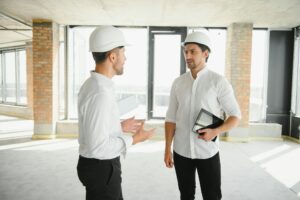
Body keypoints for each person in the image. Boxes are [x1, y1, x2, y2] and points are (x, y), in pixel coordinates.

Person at [77, 26, 155, 200]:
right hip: (102, 168)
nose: (125, 58)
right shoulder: (100, 93)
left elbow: (93, 127)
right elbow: (98, 147)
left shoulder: (92, 85)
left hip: (93, 166)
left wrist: (118, 126)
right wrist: (135, 139)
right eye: (123, 52)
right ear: (112, 56)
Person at [164, 31, 241, 200]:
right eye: (186, 51)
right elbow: (170, 118)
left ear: (206, 53)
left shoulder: (218, 82)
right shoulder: (178, 83)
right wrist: (167, 148)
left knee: (212, 196)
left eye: (193, 51)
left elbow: (235, 115)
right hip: (181, 151)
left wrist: (215, 131)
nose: (188, 55)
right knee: (186, 195)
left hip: (207, 151)